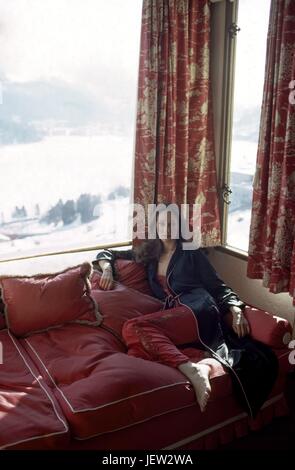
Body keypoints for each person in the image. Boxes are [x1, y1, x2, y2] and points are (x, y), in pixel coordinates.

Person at [94, 204, 279, 416]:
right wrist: (107, 268)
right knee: (137, 350)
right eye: (162, 223)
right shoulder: (150, 253)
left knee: (133, 326)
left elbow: (218, 285)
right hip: (175, 314)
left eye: (172, 223)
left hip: (197, 307)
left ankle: (192, 370)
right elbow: (107, 253)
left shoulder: (191, 253)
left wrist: (236, 310)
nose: (167, 228)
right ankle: (203, 365)